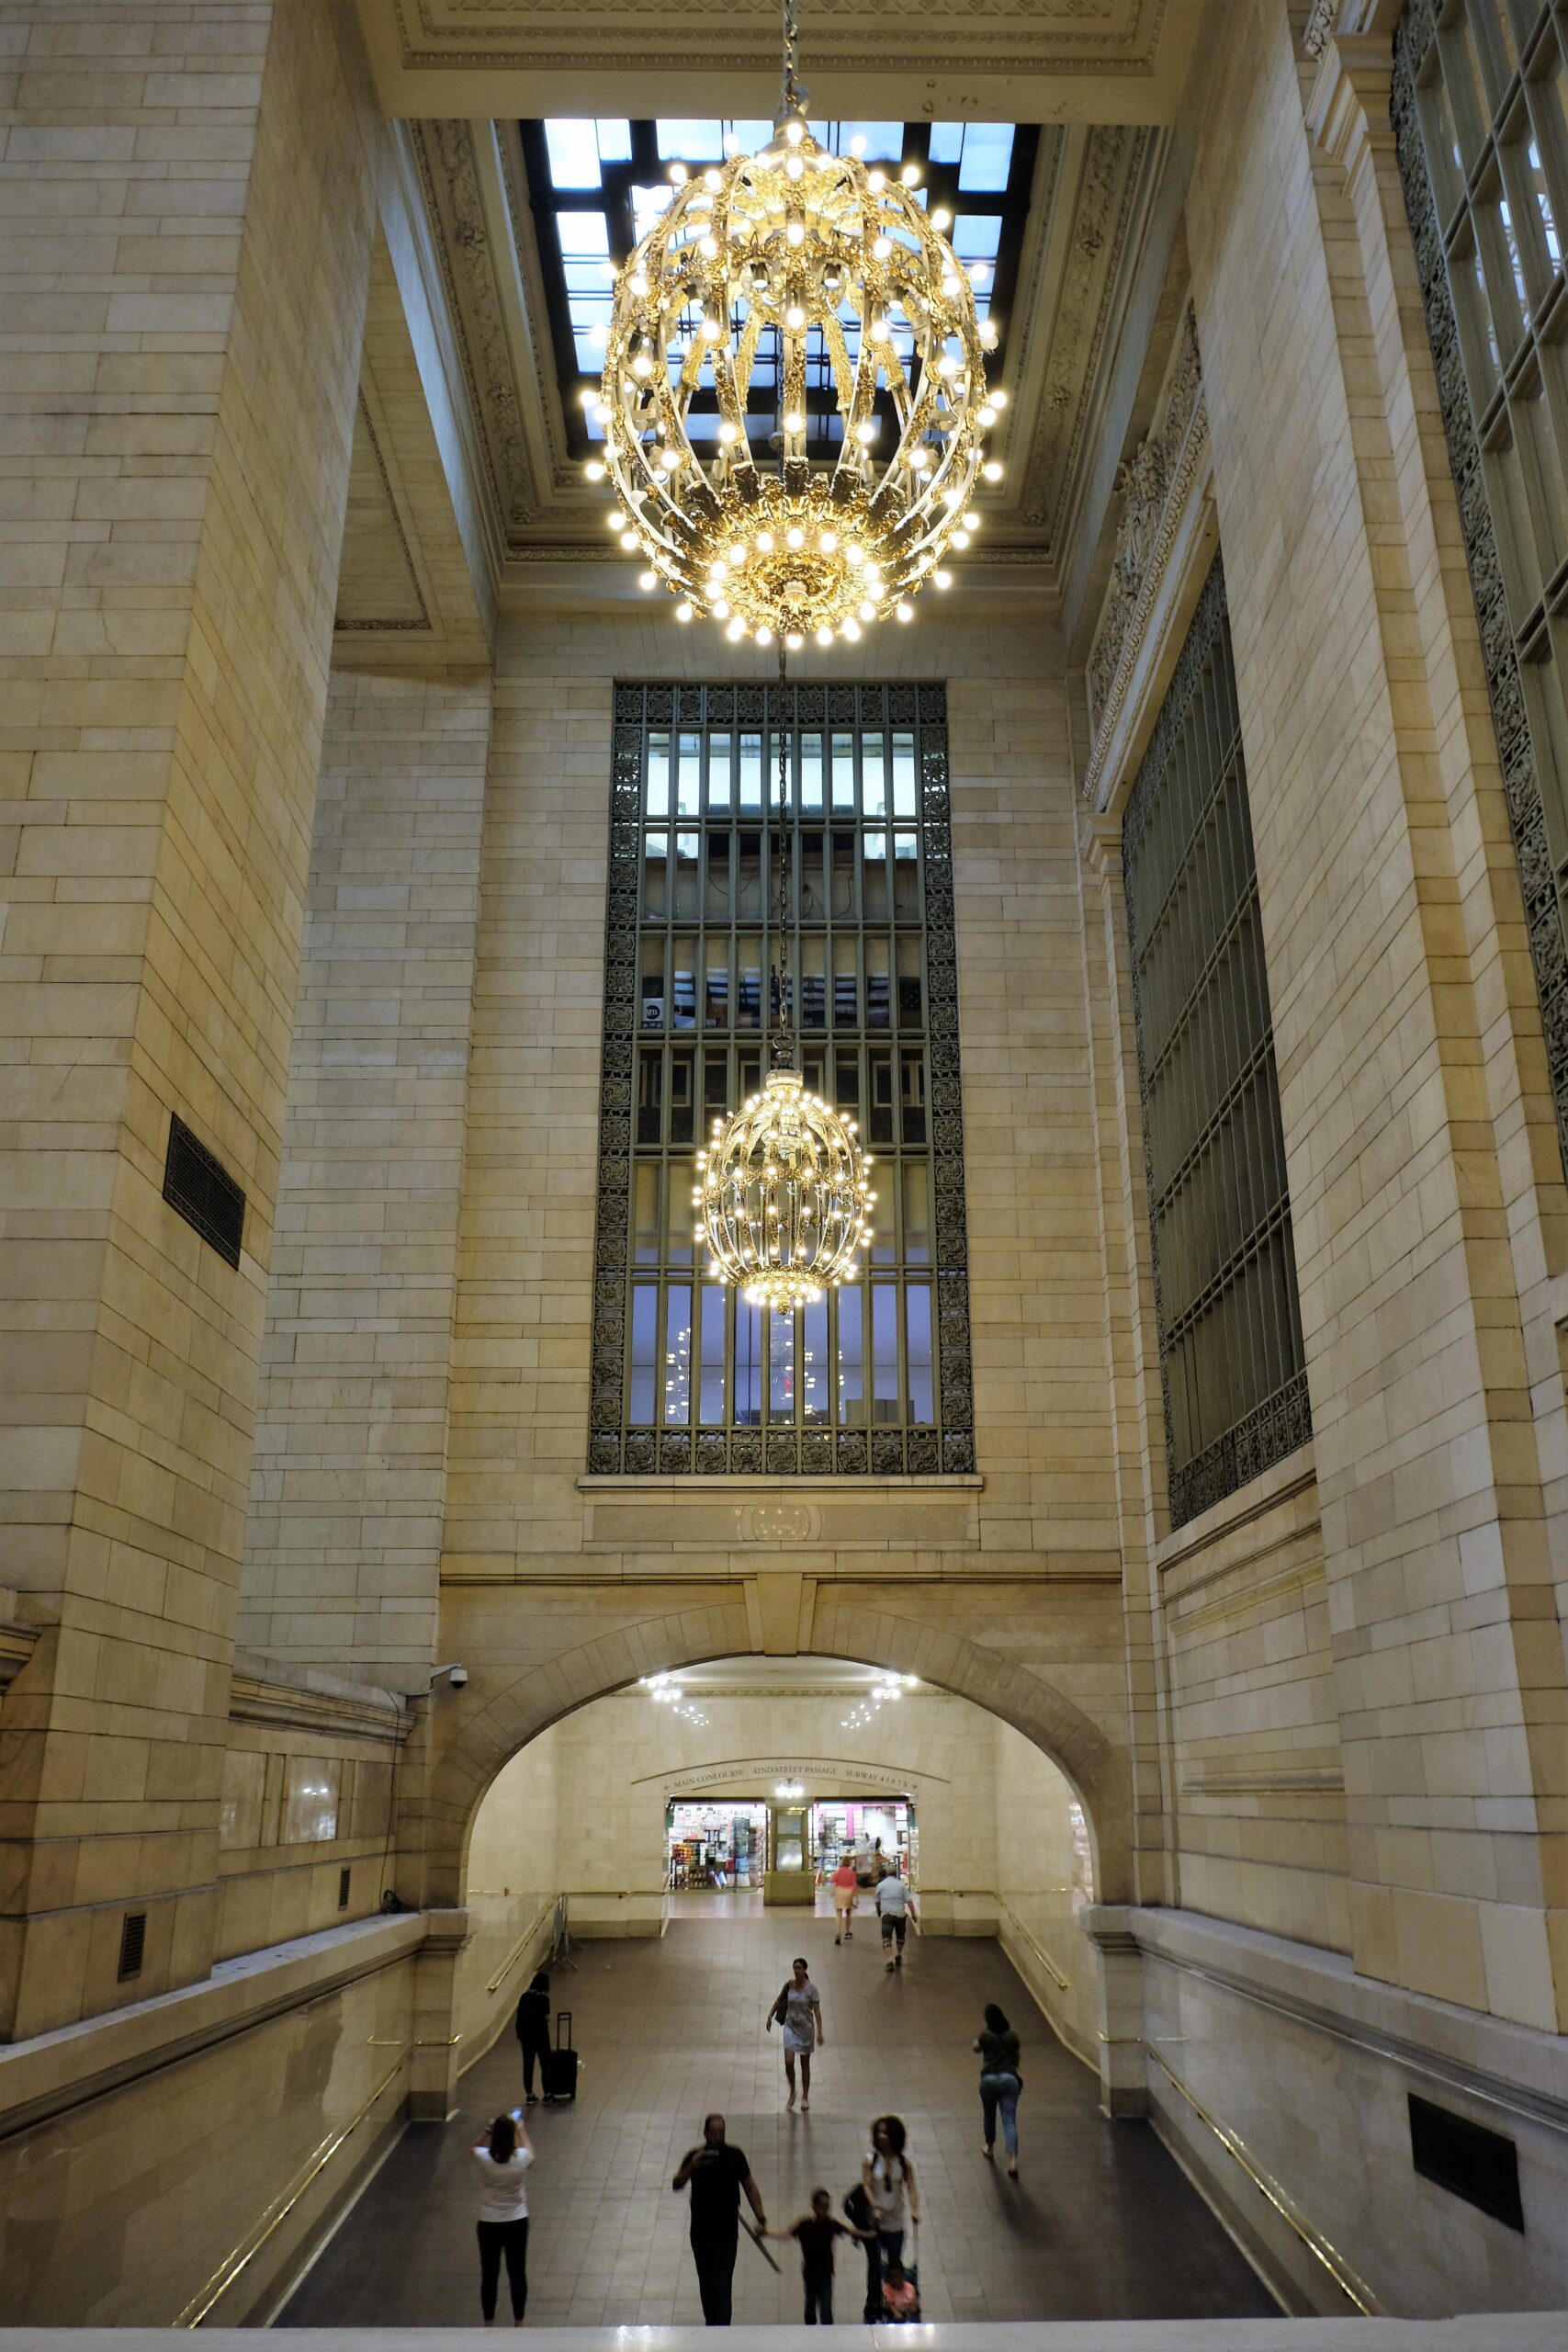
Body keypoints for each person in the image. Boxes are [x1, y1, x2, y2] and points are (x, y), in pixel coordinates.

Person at [672, 2111, 768, 2325]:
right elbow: (676, 2184)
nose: (718, 2137)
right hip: (700, 2233)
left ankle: (722, 2330)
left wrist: (760, 2217)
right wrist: (691, 2168)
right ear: (705, 2133)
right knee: (706, 2284)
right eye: (714, 2133)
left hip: (726, 2234)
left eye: (721, 2133)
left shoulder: (734, 2156)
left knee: (722, 2284)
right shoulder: (694, 2156)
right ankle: (712, 2324)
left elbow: (749, 2186)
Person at [769, 2187, 874, 2324]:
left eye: (828, 2207)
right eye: (823, 2207)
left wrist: (870, 2234)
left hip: (826, 2273)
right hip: (810, 2273)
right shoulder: (804, 2224)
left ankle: (826, 2335)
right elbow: (785, 2235)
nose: (826, 2211)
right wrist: (766, 2233)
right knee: (810, 2306)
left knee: (826, 2308)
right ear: (815, 2206)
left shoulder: (831, 2224)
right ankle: (811, 2331)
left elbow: (850, 2231)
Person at [472, 2109, 534, 2325]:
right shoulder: (521, 2160)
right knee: (517, 2273)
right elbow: (529, 2150)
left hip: (489, 2222)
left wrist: (488, 2129)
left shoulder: (485, 2159)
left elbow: (475, 2147)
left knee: (489, 2275)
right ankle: (519, 2321)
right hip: (517, 2221)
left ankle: (488, 2321)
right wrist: (520, 2129)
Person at [860, 2114, 919, 2320]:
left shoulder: (903, 2163)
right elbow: (866, 2185)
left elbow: (911, 2187)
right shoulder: (870, 2160)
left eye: (885, 2132)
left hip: (895, 2222)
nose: (882, 2136)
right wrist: (873, 2206)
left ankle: (894, 2300)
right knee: (874, 2266)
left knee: (895, 2265)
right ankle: (874, 2303)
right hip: (875, 2223)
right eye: (879, 2132)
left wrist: (914, 2209)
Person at [765, 1953, 824, 2109]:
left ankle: (805, 2097)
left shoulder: (812, 1990)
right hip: (790, 2028)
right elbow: (779, 2000)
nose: (796, 1971)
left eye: (799, 1968)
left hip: (806, 2030)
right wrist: (770, 2016)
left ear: (805, 1970)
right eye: (795, 1968)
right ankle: (792, 2090)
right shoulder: (789, 1985)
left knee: (805, 2064)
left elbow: (817, 2012)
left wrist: (820, 2032)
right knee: (788, 2062)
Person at [975, 1999, 1023, 2177]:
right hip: (1009, 2079)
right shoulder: (1012, 2036)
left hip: (988, 2080)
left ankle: (989, 2147)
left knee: (989, 2114)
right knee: (1009, 2120)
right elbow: (1017, 2058)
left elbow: (975, 2048)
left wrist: (981, 2041)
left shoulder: (986, 2035)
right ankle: (1012, 2161)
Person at [513, 1969, 550, 2103]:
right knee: (545, 2064)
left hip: (526, 2038)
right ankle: (547, 2093)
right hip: (541, 2037)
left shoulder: (524, 1997)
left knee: (528, 2065)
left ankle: (529, 2094)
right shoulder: (544, 1999)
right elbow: (547, 2017)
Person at [875, 1868, 916, 1971]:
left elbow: (877, 1901)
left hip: (887, 1915)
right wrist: (913, 1914)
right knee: (900, 1936)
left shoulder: (881, 1885)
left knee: (886, 1937)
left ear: (886, 1874)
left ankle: (889, 1959)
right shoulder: (901, 1885)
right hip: (900, 1915)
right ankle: (898, 1955)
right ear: (896, 1874)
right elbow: (909, 1901)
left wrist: (879, 1912)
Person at [881, 2256, 920, 2324]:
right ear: (888, 2278)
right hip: (893, 2317)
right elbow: (889, 2305)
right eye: (892, 2277)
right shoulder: (887, 2289)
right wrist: (896, 2312)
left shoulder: (910, 2288)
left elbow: (914, 2305)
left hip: (910, 2317)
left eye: (898, 2276)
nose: (895, 2280)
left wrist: (913, 2307)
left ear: (903, 2276)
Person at [829, 1856, 858, 1943]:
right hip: (848, 1892)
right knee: (848, 1912)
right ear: (849, 1863)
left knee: (838, 1913)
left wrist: (833, 1892)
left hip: (839, 1891)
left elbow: (832, 1881)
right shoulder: (851, 1873)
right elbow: (854, 1886)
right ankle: (847, 1931)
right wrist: (856, 1897)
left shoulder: (838, 1871)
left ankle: (838, 1932)